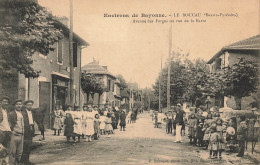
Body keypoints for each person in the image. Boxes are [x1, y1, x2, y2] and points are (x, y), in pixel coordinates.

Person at [8, 99, 24, 165]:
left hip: (21, 135)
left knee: (20, 152)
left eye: (20, 104)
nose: (18, 106)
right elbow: (8, 124)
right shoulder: (11, 114)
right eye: (17, 104)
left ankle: (17, 163)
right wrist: (12, 132)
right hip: (14, 135)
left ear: (22, 105)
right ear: (14, 106)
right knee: (12, 152)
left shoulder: (23, 113)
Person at [21, 100, 35, 164]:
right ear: (25, 106)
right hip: (25, 130)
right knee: (24, 146)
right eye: (28, 105)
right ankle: (23, 161)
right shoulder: (23, 113)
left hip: (31, 130)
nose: (30, 106)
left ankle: (27, 160)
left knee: (29, 145)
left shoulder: (31, 112)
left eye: (31, 105)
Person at [0, 96, 11, 163]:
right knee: (1, 149)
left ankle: (5, 163)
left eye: (7, 102)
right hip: (1, 132)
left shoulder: (7, 111)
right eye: (4, 102)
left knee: (6, 150)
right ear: (0, 102)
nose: (6, 103)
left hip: (7, 131)